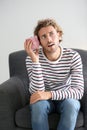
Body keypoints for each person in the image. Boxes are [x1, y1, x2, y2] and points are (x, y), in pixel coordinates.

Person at [24, 18, 84, 130]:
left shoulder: (73, 57)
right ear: (39, 42)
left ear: (59, 35)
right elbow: (37, 92)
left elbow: (78, 91)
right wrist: (35, 61)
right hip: (44, 101)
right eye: (43, 37)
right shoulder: (30, 59)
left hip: (66, 98)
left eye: (51, 34)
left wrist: (49, 94)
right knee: (38, 105)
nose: (49, 39)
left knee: (72, 104)